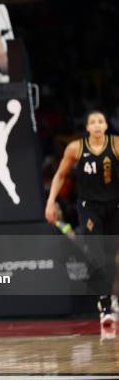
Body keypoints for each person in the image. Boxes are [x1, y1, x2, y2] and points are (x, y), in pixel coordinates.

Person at [45, 110, 119, 326]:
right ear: (87, 127)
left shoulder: (115, 144)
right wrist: (51, 201)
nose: (97, 125)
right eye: (93, 122)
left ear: (106, 126)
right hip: (89, 207)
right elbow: (60, 175)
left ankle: (108, 297)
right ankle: (104, 305)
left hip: (114, 206)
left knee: (110, 255)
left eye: (100, 121)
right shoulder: (76, 148)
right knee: (95, 251)